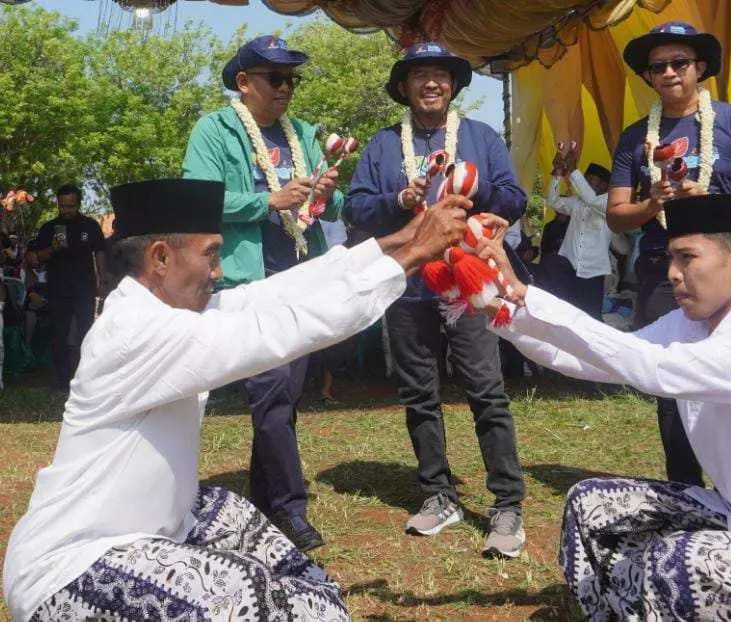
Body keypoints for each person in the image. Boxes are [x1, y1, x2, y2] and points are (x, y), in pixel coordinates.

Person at [2, 178, 470, 621]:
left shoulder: (166, 310)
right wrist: (414, 256)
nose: (219, 271)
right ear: (161, 258)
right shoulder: (135, 332)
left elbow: (271, 295)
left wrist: (396, 241)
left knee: (293, 574)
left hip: (163, 525)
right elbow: (279, 328)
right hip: (71, 567)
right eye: (211, 255)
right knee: (243, 593)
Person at [475, 194, 731, 622]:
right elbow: (594, 358)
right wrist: (501, 308)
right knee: (592, 505)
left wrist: (528, 294)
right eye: (671, 258)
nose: (673, 274)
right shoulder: (690, 324)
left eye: (687, 258)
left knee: (681, 561)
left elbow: (653, 368)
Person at [346, 42, 528, 558]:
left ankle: (507, 503)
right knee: (418, 393)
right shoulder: (384, 145)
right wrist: (399, 199)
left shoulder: (480, 137)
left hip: (469, 281)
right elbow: (357, 206)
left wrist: (480, 197)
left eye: (441, 76)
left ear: (453, 86)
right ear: (404, 87)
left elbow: (514, 196)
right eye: (420, 75)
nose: (431, 83)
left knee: (486, 388)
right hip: (407, 283)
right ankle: (437, 494)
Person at [183, 36, 342, 551]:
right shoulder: (215, 128)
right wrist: (266, 200)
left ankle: (262, 491)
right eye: (275, 78)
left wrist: (325, 190)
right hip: (246, 281)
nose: (286, 88)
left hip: (299, 275)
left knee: (284, 395)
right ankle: (288, 508)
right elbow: (197, 199)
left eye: (292, 79)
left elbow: (334, 210)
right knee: (272, 390)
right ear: (244, 82)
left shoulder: (303, 134)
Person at [606, 21, 731, 488]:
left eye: (679, 62)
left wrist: (705, 202)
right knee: (673, 380)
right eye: (657, 66)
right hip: (665, 268)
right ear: (648, 77)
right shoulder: (635, 136)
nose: (668, 72)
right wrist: (654, 203)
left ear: (699, 68)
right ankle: (684, 489)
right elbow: (617, 215)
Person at [33, 184, 106, 389]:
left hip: (85, 287)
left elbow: (99, 251)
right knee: (59, 333)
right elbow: (35, 258)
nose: (66, 210)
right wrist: (52, 249)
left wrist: (102, 279)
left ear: (78, 204)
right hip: (58, 288)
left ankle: (88, 377)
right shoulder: (49, 228)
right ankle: (62, 379)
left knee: (87, 333)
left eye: (71, 206)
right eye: (63, 206)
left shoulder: (90, 225)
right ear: (58, 204)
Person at [545, 151, 615, 320]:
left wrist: (574, 171)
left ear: (605, 186)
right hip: (569, 265)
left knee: (590, 319)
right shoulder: (577, 202)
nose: (590, 185)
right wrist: (557, 175)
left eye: (595, 183)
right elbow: (553, 202)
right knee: (566, 316)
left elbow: (591, 200)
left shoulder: (609, 203)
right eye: (588, 180)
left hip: (593, 271)